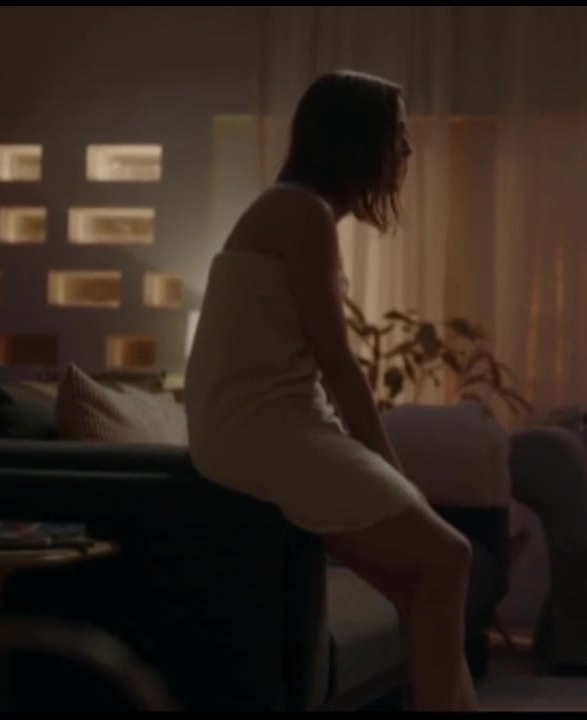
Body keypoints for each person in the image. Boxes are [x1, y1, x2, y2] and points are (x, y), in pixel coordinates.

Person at [183, 70, 479, 712]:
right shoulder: (302, 212)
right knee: (448, 556)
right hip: (260, 429)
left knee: (419, 584)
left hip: (277, 421)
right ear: (357, 141)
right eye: (397, 136)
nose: (407, 151)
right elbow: (338, 362)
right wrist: (394, 474)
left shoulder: (299, 210)